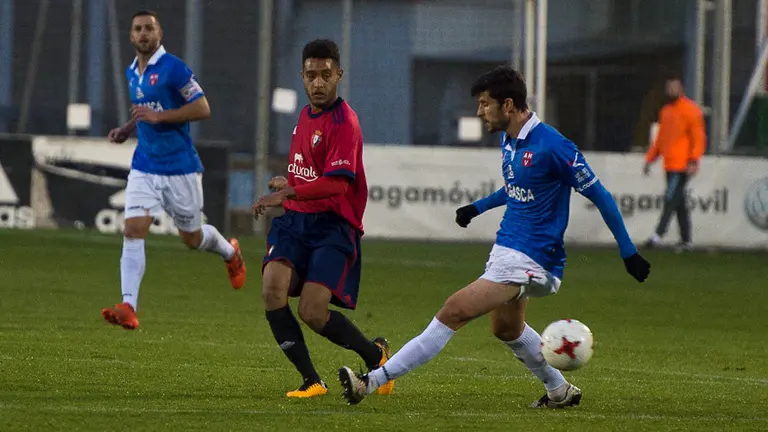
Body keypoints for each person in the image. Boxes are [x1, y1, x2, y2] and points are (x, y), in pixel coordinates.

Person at [337, 65, 651, 408]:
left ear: (509, 105)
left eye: (485, 104)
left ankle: (370, 381)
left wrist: (628, 252)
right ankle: (559, 390)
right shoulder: (509, 140)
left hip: (534, 259)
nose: (479, 111)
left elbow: (601, 195)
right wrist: (478, 207)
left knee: (453, 311)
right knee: (506, 328)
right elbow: (516, 187)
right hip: (507, 251)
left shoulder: (554, 146)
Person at [251, 39, 394, 399]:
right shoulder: (305, 115)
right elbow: (313, 173)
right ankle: (311, 380)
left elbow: (336, 184)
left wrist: (287, 193)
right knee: (271, 289)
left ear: (338, 76)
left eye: (325, 75)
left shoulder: (345, 122)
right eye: (311, 75)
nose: (318, 83)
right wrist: (292, 184)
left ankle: (376, 357)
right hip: (296, 222)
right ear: (302, 76)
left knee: (313, 311)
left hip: (333, 226)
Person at [101, 10, 246, 330]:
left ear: (160, 34)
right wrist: (128, 128)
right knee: (133, 229)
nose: (143, 34)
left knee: (192, 238)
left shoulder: (174, 68)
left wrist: (159, 118)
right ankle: (128, 305)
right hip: (145, 165)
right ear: (131, 36)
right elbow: (146, 113)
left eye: (149, 29)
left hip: (180, 168)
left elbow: (202, 108)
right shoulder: (132, 72)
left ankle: (229, 252)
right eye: (137, 29)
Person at [643, 75, 706, 252]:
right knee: (679, 203)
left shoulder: (691, 110)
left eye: (674, 87)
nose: (671, 91)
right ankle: (686, 240)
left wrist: (693, 159)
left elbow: (698, 137)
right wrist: (650, 159)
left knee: (671, 199)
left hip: (682, 165)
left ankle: (657, 235)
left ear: (681, 89)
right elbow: (661, 140)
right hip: (670, 164)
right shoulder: (666, 111)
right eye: (669, 88)